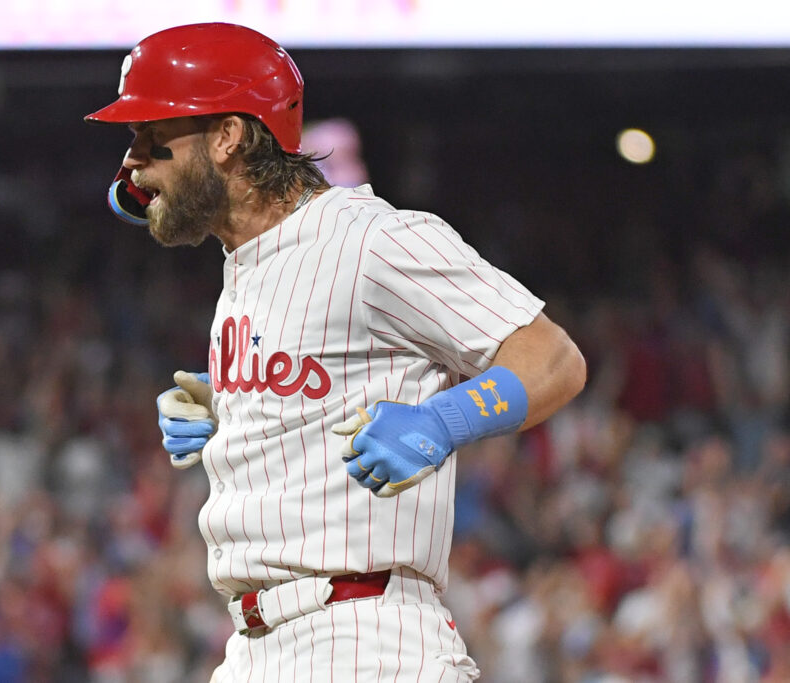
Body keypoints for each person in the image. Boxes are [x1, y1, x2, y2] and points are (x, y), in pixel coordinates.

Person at [85, 22, 586, 682]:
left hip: (361, 636)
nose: (131, 165)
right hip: (258, 644)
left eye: (152, 138)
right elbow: (326, 367)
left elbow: (553, 359)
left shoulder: (370, 240)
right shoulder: (249, 259)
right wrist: (230, 403)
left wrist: (444, 419)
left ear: (228, 136)